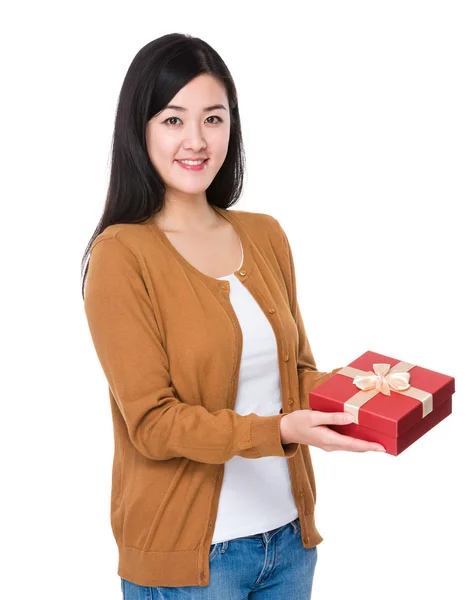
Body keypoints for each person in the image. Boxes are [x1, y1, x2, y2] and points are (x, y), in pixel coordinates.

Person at [81, 32, 386, 599]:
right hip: (194, 562)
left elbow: (293, 376)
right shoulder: (122, 254)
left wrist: (368, 393)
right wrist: (280, 430)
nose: (196, 140)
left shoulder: (264, 235)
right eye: (173, 120)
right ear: (139, 129)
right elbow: (153, 423)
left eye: (213, 119)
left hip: (289, 543)